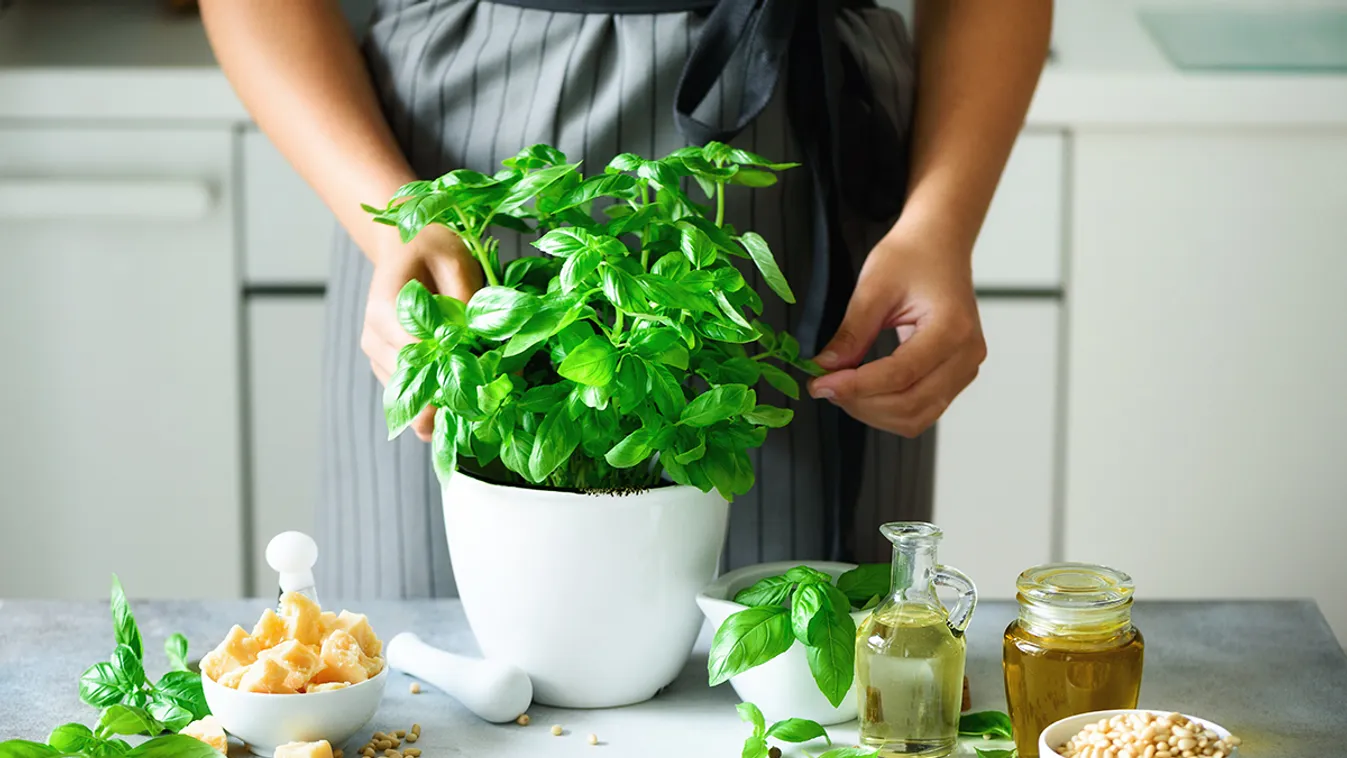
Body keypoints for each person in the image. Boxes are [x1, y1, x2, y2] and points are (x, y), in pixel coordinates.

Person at [201, 0, 1051, 599]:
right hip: (449, 169)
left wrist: (942, 223)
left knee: (810, 680)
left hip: (809, 154)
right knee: (431, 679)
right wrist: (390, 218)